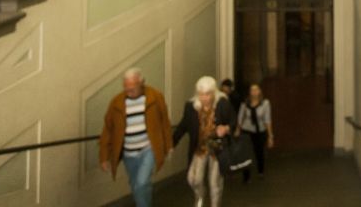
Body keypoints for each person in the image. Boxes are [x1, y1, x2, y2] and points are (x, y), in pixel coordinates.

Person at [99, 68, 173, 207]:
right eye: (126, 88)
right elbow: (108, 130)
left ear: (141, 83)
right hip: (128, 153)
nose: (129, 91)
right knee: (135, 186)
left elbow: (165, 123)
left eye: (132, 88)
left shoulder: (155, 97)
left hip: (148, 149)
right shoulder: (116, 102)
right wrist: (104, 156)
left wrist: (168, 145)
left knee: (141, 183)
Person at [173, 76, 236, 207]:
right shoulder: (191, 106)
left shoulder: (222, 103)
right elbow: (183, 125)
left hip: (217, 147)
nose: (204, 98)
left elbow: (233, 122)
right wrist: (171, 143)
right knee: (193, 179)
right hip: (200, 148)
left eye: (207, 94)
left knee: (214, 183)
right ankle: (200, 196)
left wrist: (226, 128)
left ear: (214, 92)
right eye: (201, 95)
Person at [236, 83, 273, 182]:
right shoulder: (245, 104)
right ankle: (246, 175)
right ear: (249, 92)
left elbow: (267, 120)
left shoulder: (265, 103)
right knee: (246, 153)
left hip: (260, 131)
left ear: (260, 91)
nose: (254, 92)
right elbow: (240, 118)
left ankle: (260, 171)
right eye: (252, 90)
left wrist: (270, 136)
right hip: (247, 131)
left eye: (256, 89)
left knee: (259, 152)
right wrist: (238, 130)